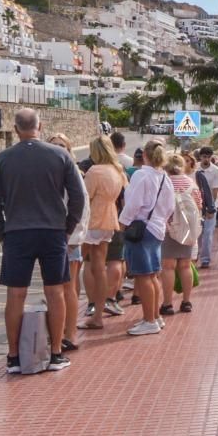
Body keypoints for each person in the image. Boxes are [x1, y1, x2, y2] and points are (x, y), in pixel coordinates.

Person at [0, 107, 86, 374]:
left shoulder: (3, 159)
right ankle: (55, 354)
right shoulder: (60, 155)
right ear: (40, 126)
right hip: (53, 232)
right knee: (55, 291)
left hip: (17, 232)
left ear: (16, 129)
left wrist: (2, 233)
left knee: (16, 294)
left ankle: (14, 357)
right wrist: (67, 228)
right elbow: (78, 198)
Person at [117, 142, 175, 336]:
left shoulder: (142, 175)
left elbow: (133, 203)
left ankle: (149, 320)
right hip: (157, 228)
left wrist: (122, 223)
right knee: (152, 275)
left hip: (141, 228)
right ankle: (156, 316)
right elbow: (170, 205)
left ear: (144, 156)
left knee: (143, 276)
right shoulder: (164, 176)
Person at [80, 134, 127, 333]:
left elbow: (85, 197)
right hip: (109, 218)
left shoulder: (94, 171)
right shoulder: (118, 170)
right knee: (100, 267)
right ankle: (99, 312)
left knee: (82, 265)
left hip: (92, 220)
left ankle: (93, 311)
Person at [48, 135, 89, 354]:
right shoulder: (48, 172)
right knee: (56, 288)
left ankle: (70, 333)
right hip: (52, 237)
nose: (57, 149)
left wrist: (74, 236)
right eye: (53, 145)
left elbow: (81, 206)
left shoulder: (72, 172)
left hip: (69, 238)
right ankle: (59, 331)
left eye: (62, 145)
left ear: (69, 150)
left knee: (68, 287)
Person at [163, 154, 203, 314]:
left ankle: (167, 304)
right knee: (186, 265)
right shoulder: (191, 183)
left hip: (169, 228)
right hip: (188, 229)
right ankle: (186, 302)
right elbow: (199, 205)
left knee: (168, 267)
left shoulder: (165, 183)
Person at [194, 147, 218, 269]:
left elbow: (215, 190)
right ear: (200, 157)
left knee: (207, 233)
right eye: (204, 156)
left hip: (210, 205)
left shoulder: (216, 171)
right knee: (197, 232)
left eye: (208, 156)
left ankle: (205, 258)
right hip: (196, 205)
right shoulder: (195, 168)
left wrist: (210, 208)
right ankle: (196, 255)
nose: (206, 159)